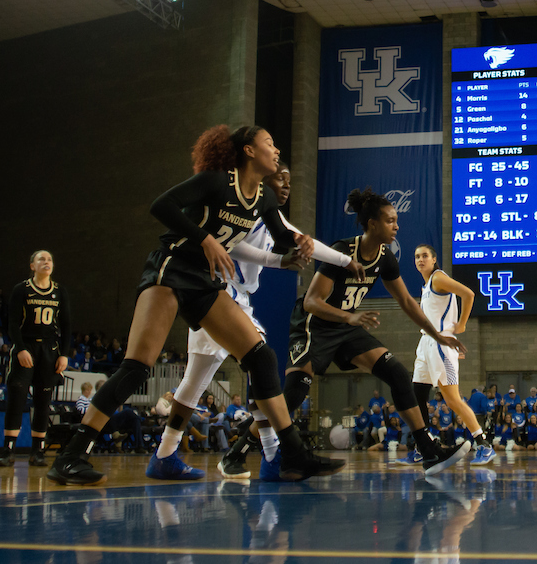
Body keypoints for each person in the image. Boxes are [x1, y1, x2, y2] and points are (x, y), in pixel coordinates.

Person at [46, 125, 334, 485]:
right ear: (247, 150)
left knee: (261, 357)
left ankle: (293, 456)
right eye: (269, 144)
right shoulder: (216, 181)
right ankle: (71, 456)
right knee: (137, 367)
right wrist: (204, 238)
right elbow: (161, 206)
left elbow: (281, 241)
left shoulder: (265, 199)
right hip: (171, 267)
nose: (276, 151)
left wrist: (299, 247)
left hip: (204, 281)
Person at [150, 161, 344, 481]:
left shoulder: (270, 217)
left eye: (289, 181)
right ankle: (272, 456)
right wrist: (346, 261)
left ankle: (166, 453)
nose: (286, 185)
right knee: (261, 364)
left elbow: (293, 241)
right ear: (261, 178)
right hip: (219, 295)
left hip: (231, 297)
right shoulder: (245, 211)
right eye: (279, 178)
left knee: (194, 382)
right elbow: (240, 248)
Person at [285, 187, 470, 475]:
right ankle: (239, 451)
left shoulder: (385, 258)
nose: (397, 226)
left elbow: (408, 302)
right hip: (315, 326)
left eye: (396, 221)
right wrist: (350, 318)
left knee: (396, 372)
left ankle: (428, 450)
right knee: (294, 394)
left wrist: (438, 335)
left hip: (348, 326)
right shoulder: (342, 251)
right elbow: (311, 302)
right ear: (372, 224)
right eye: (390, 221)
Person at [400, 244, 494, 467]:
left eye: (425, 256)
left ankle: (483, 444)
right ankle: (423, 447)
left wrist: (461, 324)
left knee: (452, 399)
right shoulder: (426, 285)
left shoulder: (438, 278)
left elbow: (469, 294)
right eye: (417, 256)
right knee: (417, 397)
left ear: (434, 260)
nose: (420, 259)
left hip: (441, 343)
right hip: (426, 343)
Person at [0, 249, 72, 467]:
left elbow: (67, 326)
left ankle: (37, 451)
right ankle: (8, 449)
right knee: (17, 397)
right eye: (42, 259)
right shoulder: (22, 289)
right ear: (32, 265)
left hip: (50, 350)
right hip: (26, 347)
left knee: (43, 401)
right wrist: (20, 348)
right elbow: (12, 323)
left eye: (49, 259)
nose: (46, 262)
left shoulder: (60, 291)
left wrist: (64, 354)